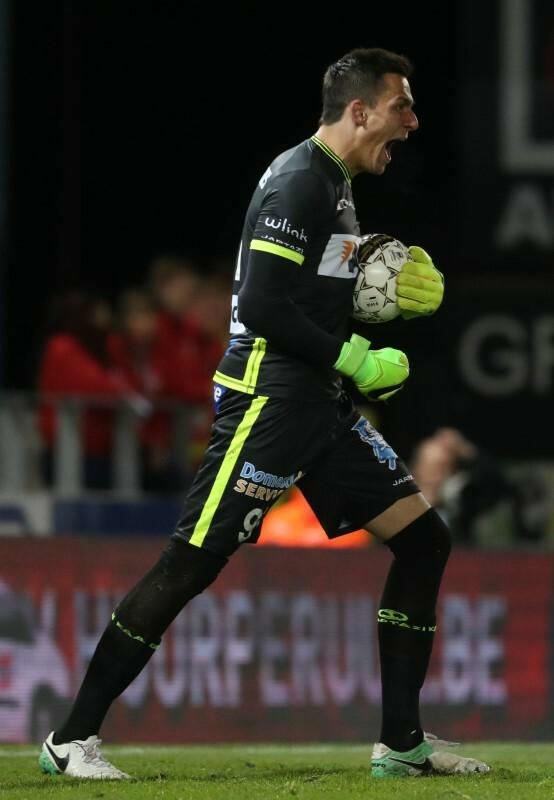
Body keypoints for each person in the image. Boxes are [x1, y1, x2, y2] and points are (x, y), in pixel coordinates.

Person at [39, 48, 490, 780]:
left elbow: (308, 294)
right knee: (188, 565)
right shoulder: (301, 180)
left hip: (320, 405)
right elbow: (262, 304)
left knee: (424, 541)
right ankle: (70, 740)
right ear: (359, 112)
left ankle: (401, 744)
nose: (412, 121)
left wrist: (375, 288)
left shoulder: (335, 187)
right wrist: (357, 359)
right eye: (401, 106)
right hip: (269, 403)